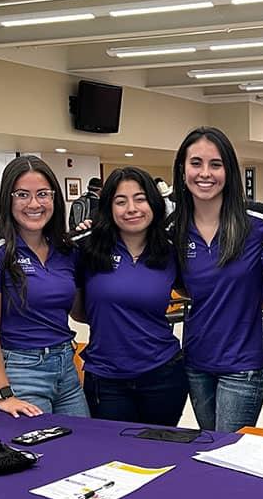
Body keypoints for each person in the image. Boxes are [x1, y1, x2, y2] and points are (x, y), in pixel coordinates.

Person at [169, 127, 263, 433]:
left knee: (229, 452)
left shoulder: (258, 222)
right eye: (196, 163)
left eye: (216, 164)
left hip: (242, 363)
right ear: (182, 169)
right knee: (209, 446)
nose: (205, 173)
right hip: (196, 361)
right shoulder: (173, 228)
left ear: (229, 171)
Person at [0, 155, 88, 419]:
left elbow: (78, 311)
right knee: (34, 456)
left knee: (80, 452)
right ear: (8, 199)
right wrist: (3, 394)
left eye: (43, 194)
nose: (34, 204)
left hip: (66, 367)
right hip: (19, 371)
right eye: (22, 195)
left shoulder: (66, 250)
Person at [75, 167, 187, 425]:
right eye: (120, 201)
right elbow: (79, 311)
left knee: (158, 456)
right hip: (106, 378)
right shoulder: (87, 247)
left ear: (154, 202)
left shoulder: (171, 250)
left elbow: (200, 288)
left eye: (140, 198)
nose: (131, 208)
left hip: (163, 375)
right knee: (111, 458)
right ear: (108, 207)